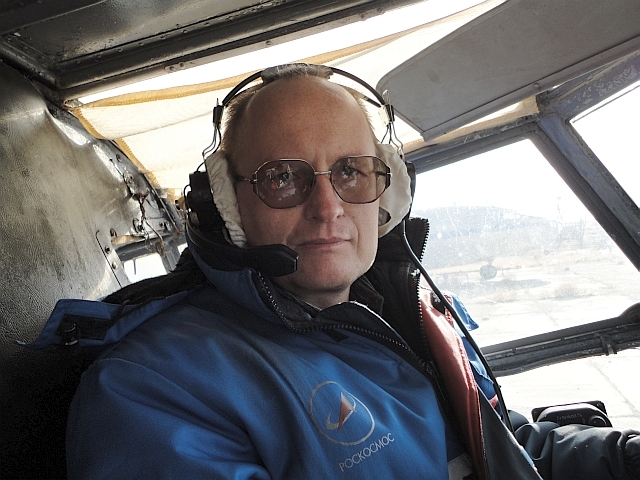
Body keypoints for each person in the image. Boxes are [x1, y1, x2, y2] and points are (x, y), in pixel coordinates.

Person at [28, 64, 639, 480]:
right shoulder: (152, 389)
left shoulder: (397, 313)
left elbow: (498, 447)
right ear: (228, 206)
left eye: (350, 171)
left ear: (387, 192)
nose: (328, 208)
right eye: (282, 177)